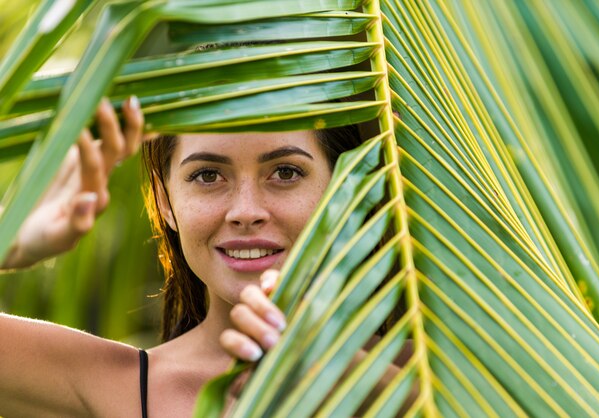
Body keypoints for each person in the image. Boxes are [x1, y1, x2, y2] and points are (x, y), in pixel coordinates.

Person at [0, 95, 378, 416]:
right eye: (208, 176)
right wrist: (9, 239)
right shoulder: (120, 388)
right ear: (165, 203)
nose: (245, 211)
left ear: (344, 185)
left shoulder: (424, 370)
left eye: (285, 171)